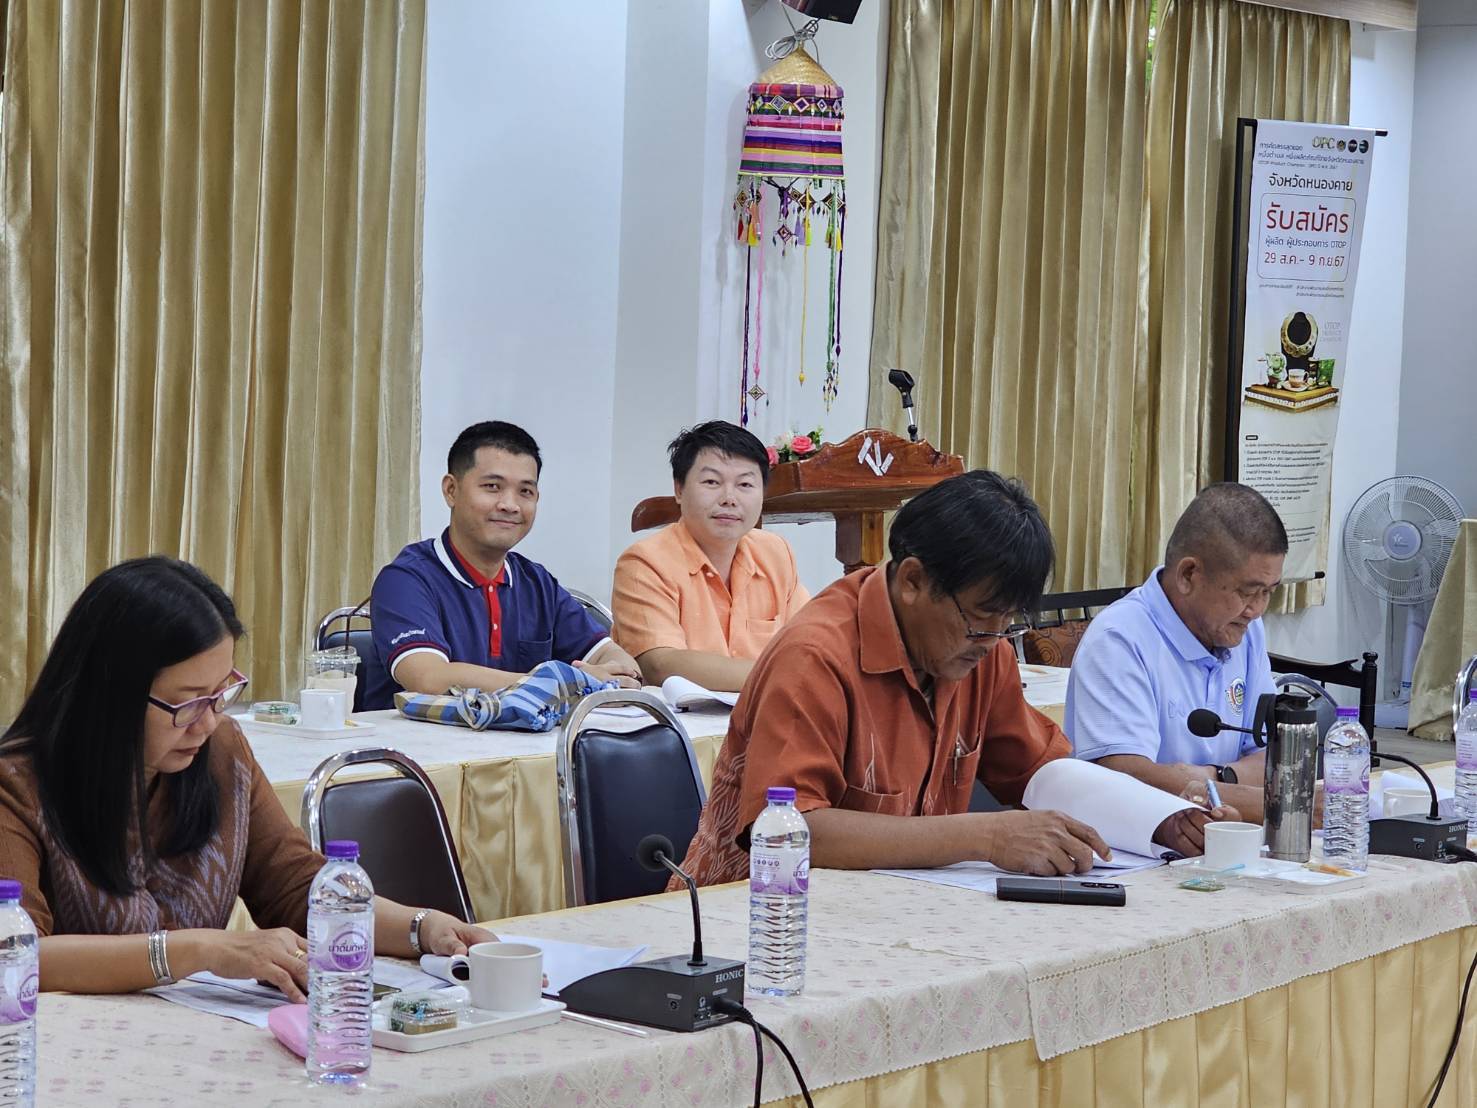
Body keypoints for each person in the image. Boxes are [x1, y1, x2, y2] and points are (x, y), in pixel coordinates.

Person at [676, 471, 1232, 886]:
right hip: (751, 925)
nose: (992, 643)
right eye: (979, 619)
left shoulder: (979, 651)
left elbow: (1044, 770)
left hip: (890, 916)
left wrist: (1162, 816)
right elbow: (791, 830)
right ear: (914, 581)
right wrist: (986, 836)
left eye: (1006, 624)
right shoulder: (815, 656)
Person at [0, 557, 495, 1000]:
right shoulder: (18, 784)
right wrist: (198, 950)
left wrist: (422, 927)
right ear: (108, 693)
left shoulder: (220, 752)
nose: (208, 721)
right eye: (188, 701)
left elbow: (293, 885)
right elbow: (16, 952)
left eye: (222, 693)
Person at [361, 420, 642, 710]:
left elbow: (612, 657)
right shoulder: (406, 579)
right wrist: (565, 683)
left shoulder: (537, 583)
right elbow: (429, 678)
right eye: (492, 487)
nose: (510, 504)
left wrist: (617, 675)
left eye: (525, 492)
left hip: (529, 752)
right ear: (451, 490)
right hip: (422, 751)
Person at [1065, 482, 1285, 823]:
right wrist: (1250, 793)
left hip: (1227, 836)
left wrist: (1211, 778)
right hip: (1140, 851)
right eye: (1247, 592)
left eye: (1268, 593)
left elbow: (1275, 754)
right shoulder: (1120, 639)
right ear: (1188, 575)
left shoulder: (1246, 629)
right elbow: (1125, 779)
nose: (1256, 610)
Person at [611, 420, 810, 692]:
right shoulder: (644, 562)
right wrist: (781, 675)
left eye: (745, 485)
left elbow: (810, 641)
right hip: (681, 726)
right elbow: (660, 663)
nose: (729, 498)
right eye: (712, 482)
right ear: (679, 490)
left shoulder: (776, 553)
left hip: (766, 715)